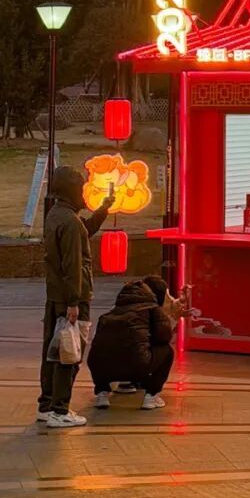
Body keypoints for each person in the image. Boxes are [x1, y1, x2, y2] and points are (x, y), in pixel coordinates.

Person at [36, 165, 112, 428]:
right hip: (72, 299)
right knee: (69, 353)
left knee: (53, 351)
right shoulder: (69, 222)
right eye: (81, 188)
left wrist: (102, 210)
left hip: (56, 296)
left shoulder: (58, 215)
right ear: (71, 191)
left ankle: (47, 405)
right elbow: (72, 265)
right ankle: (60, 409)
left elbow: (83, 232)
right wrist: (73, 302)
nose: (84, 193)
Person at [88, 275, 177, 410]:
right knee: (167, 351)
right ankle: (151, 396)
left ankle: (102, 393)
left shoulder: (115, 309)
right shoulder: (153, 309)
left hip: (101, 367)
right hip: (135, 366)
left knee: (103, 350)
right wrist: (171, 317)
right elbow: (164, 337)